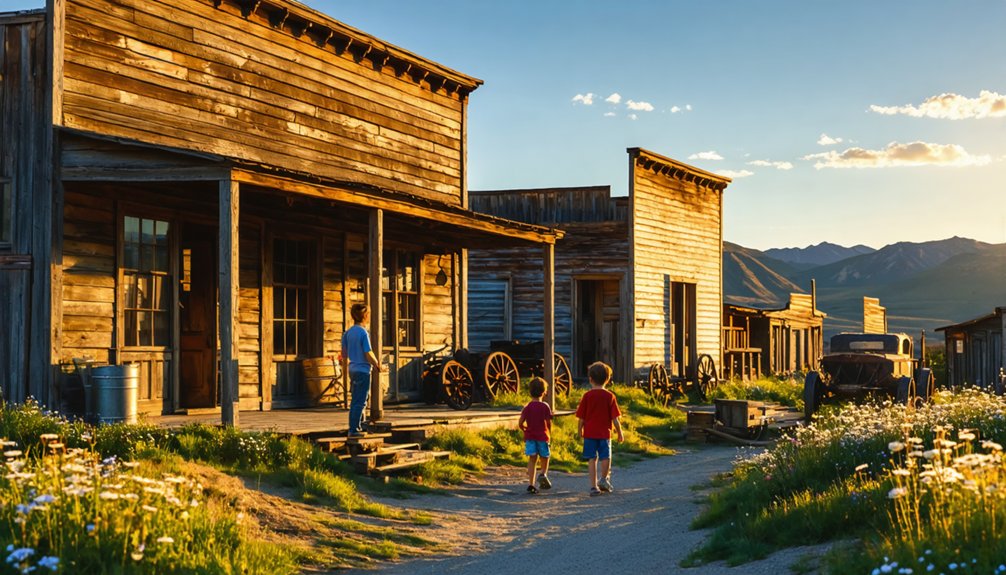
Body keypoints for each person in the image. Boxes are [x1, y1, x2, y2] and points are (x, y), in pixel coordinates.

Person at [575, 361, 624, 496]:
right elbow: (615, 418)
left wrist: (580, 430)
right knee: (605, 457)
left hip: (590, 433)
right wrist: (620, 432)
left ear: (590, 379)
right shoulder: (610, 396)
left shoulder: (587, 396)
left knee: (592, 459)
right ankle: (604, 479)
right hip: (604, 433)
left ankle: (593, 486)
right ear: (607, 380)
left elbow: (582, 418)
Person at [341, 303, 383, 437]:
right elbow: (368, 352)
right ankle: (353, 430)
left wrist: (345, 371)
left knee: (356, 399)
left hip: (352, 368)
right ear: (365, 316)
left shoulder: (347, 333)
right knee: (361, 400)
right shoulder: (363, 333)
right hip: (363, 370)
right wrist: (377, 364)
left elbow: (344, 355)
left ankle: (359, 425)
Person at [518, 376, 553, 494]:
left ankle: (531, 484)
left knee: (532, 459)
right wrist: (549, 433)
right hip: (542, 436)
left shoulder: (527, 407)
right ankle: (543, 473)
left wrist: (524, 429)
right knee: (545, 456)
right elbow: (548, 423)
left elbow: (520, 422)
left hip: (530, 437)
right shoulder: (545, 406)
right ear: (544, 392)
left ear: (530, 392)